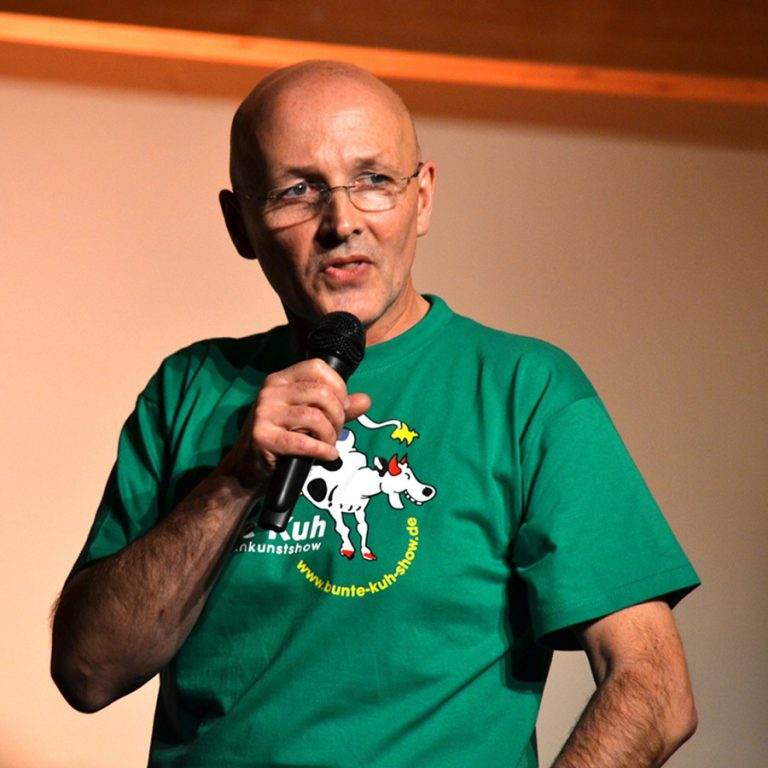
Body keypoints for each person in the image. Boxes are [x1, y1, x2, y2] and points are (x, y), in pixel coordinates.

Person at [51, 60, 699, 767]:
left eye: (374, 180)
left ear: (422, 198)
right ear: (241, 224)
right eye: (297, 190)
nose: (342, 222)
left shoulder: (525, 389)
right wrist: (234, 480)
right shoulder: (190, 388)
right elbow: (88, 672)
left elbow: (654, 687)